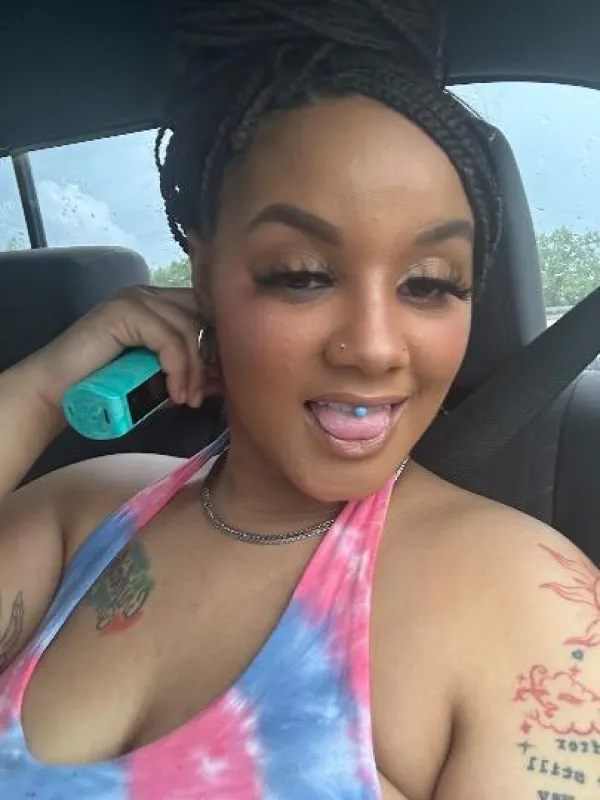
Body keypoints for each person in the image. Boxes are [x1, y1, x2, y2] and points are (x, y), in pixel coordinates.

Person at [0, 1, 598, 798]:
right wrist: (44, 387)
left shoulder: (531, 608)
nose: (376, 346)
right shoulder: (79, 518)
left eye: (429, 284)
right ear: (204, 275)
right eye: (302, 275)